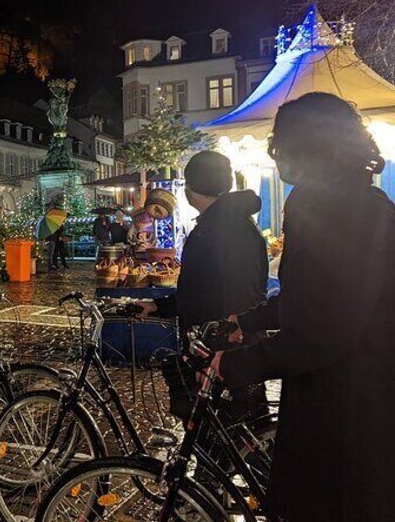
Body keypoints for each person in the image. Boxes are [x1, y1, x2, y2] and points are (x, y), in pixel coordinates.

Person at [212, 93, 395, 521]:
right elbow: (316, 295)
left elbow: (325, 329)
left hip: (348, 415)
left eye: (281, 141)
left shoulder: (334, 207)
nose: (276, 154)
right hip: (346, 401)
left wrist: (233, 366)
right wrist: (248, 320)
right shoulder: (354, 201)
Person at [137, 151, 269, 420]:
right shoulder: (228, 222)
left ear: (191, 189)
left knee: (232, 435)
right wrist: (159, 305)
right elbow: (202, 288)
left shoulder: (222, 228)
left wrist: (224, 344)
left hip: (223, 351)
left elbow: (232, 293)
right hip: (223, 345)